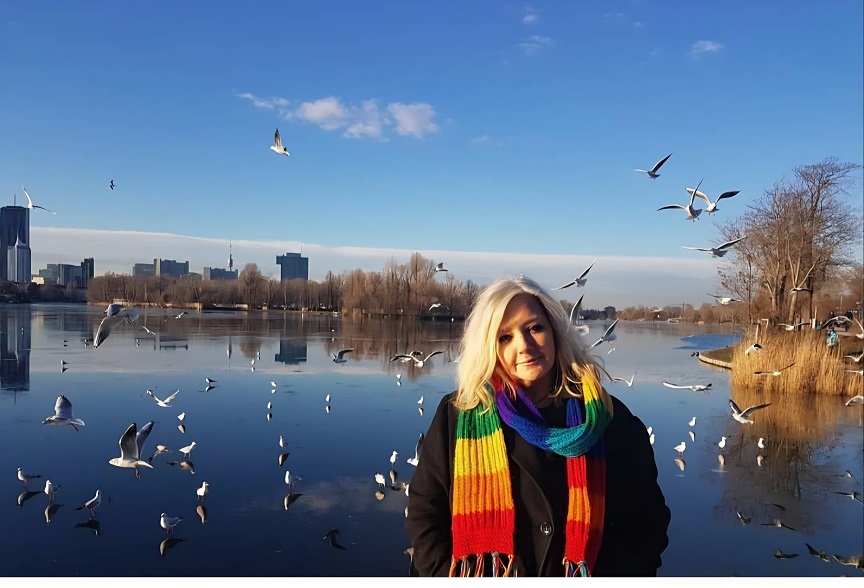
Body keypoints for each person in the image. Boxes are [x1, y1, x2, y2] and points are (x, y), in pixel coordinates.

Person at [405, 276, 671, 577]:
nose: (524, 346)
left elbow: (646, 525)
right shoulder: (458, 415)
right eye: (505, 337)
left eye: (534, 328)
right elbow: (425, 515)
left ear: (555, 331)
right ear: (488, 347)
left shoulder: (607, 418)